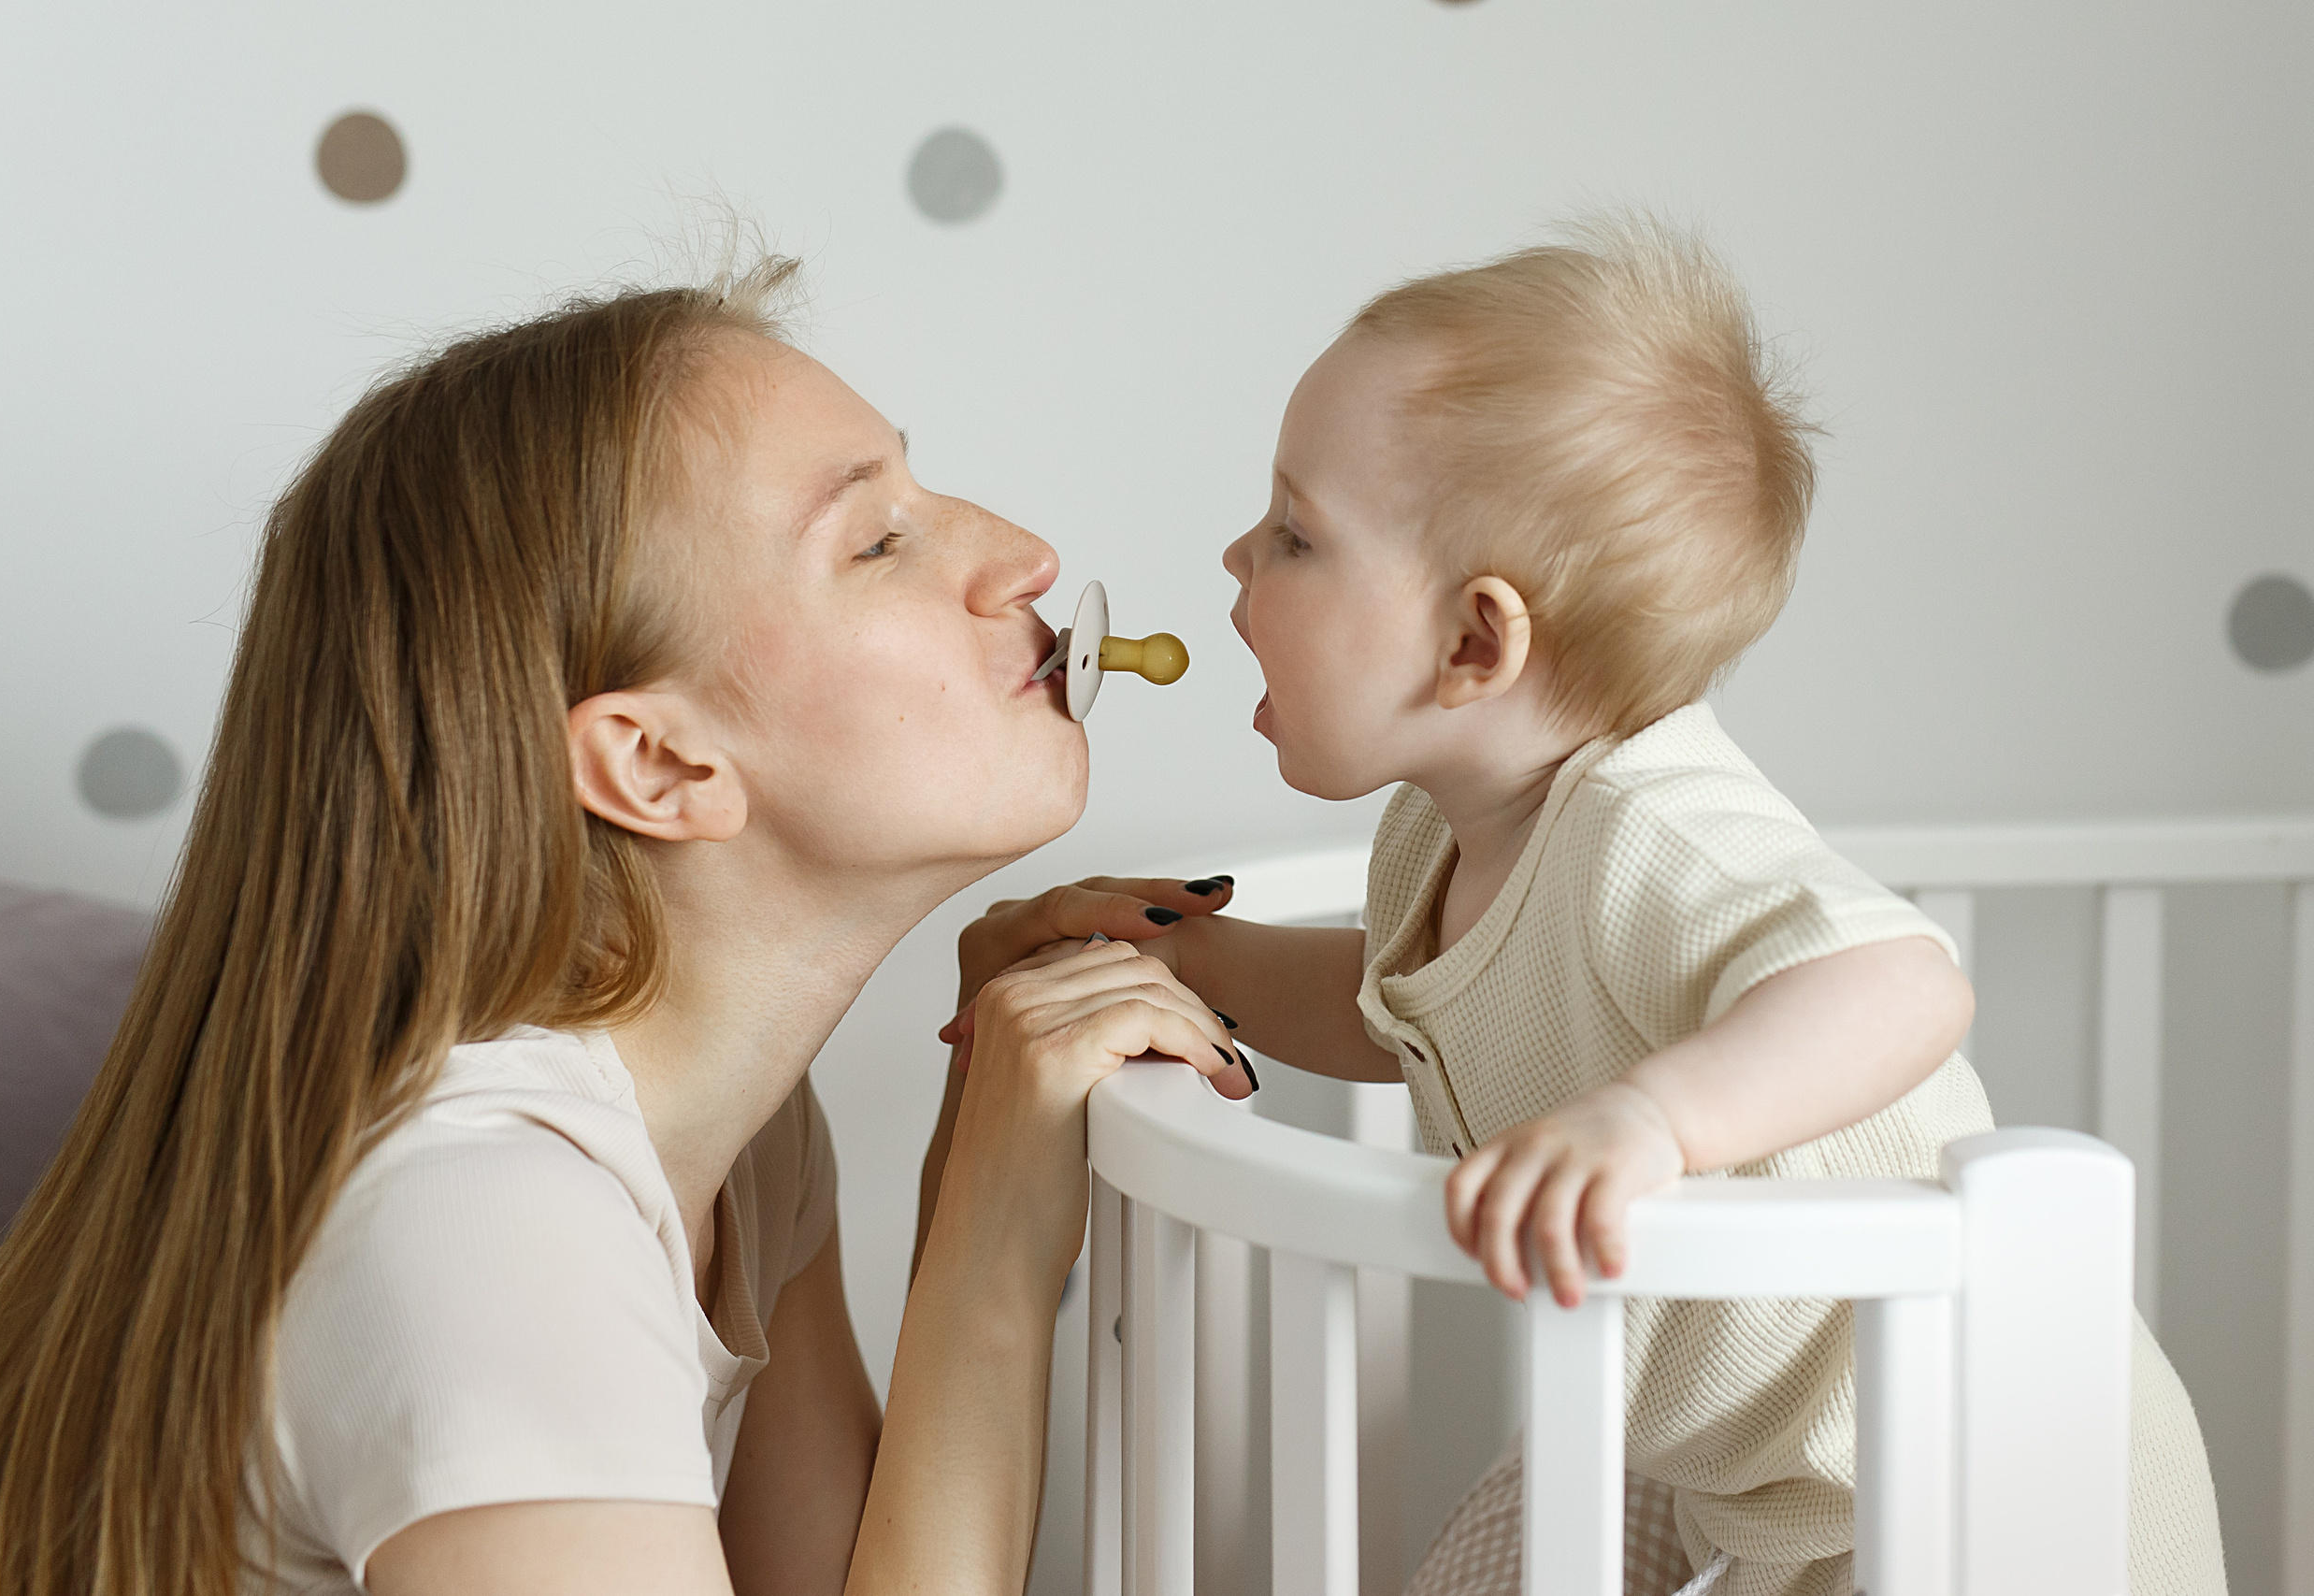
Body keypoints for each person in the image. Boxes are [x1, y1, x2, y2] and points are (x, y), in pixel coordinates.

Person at [0, 259, 1255, 1596]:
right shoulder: (490, 1228)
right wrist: (1000, 1233)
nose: (1023, 555)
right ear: (661, 767)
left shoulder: (751, 1140)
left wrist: (985, 1135)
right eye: (877, 541)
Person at [949, 217, 2227, 1594]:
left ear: (1475, 642)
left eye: (1296, 534)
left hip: (1980, 1484)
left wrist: (1653, 1121)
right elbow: (1405, 1016)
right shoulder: (1438, 837)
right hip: (1738, 1470)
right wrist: (1186, 955)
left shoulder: (1650, 828)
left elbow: (1903, 982)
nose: (1234, 559)